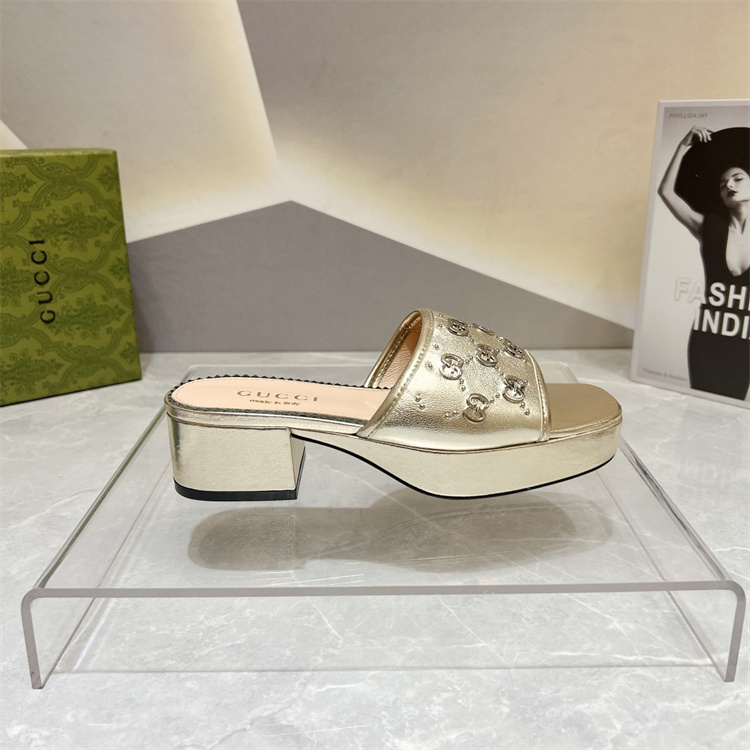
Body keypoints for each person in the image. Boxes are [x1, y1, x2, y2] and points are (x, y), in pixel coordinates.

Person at [658, 126, 749, 399]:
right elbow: (666, 192)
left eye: (737, 179)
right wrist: (683, 146)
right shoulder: (707, 227)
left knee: (732, 405)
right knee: (700, 404)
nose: (729, 185)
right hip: (706, 337)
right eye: (723, 185)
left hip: (745, 340)